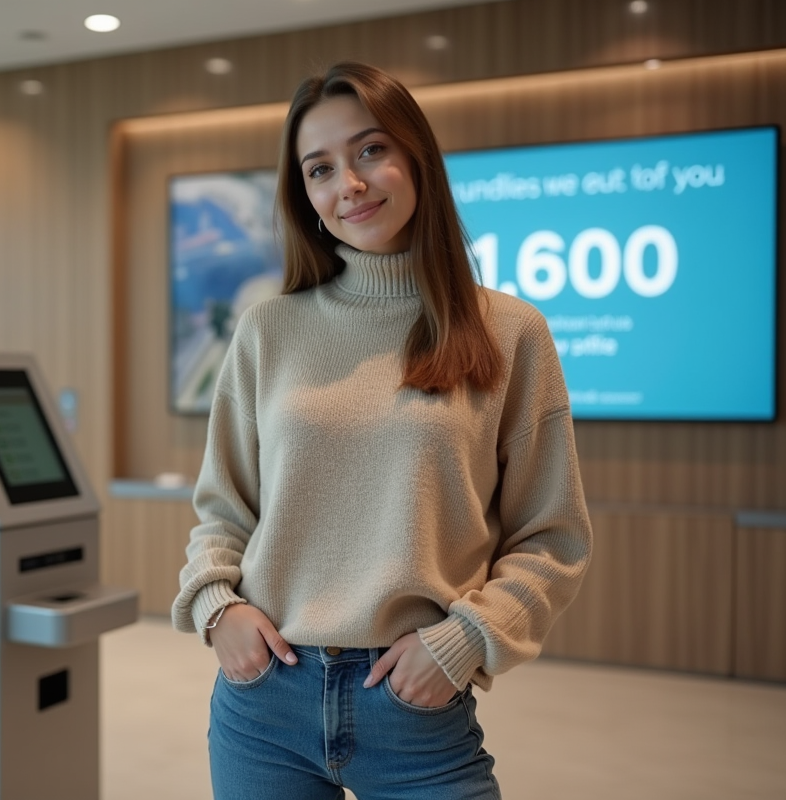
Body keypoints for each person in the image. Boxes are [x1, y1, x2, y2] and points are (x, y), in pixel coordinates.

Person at [171, 61, 593, 800]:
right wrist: (218, 607)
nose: (350, 185)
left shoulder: (512, 331)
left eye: (370, 151)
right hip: (265, 699)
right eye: (320, 169)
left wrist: (464, 640)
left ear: (416, 156)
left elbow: (552, 538)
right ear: (304, 195)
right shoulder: (268, 329)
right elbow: (224, 513)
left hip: (414, 708)